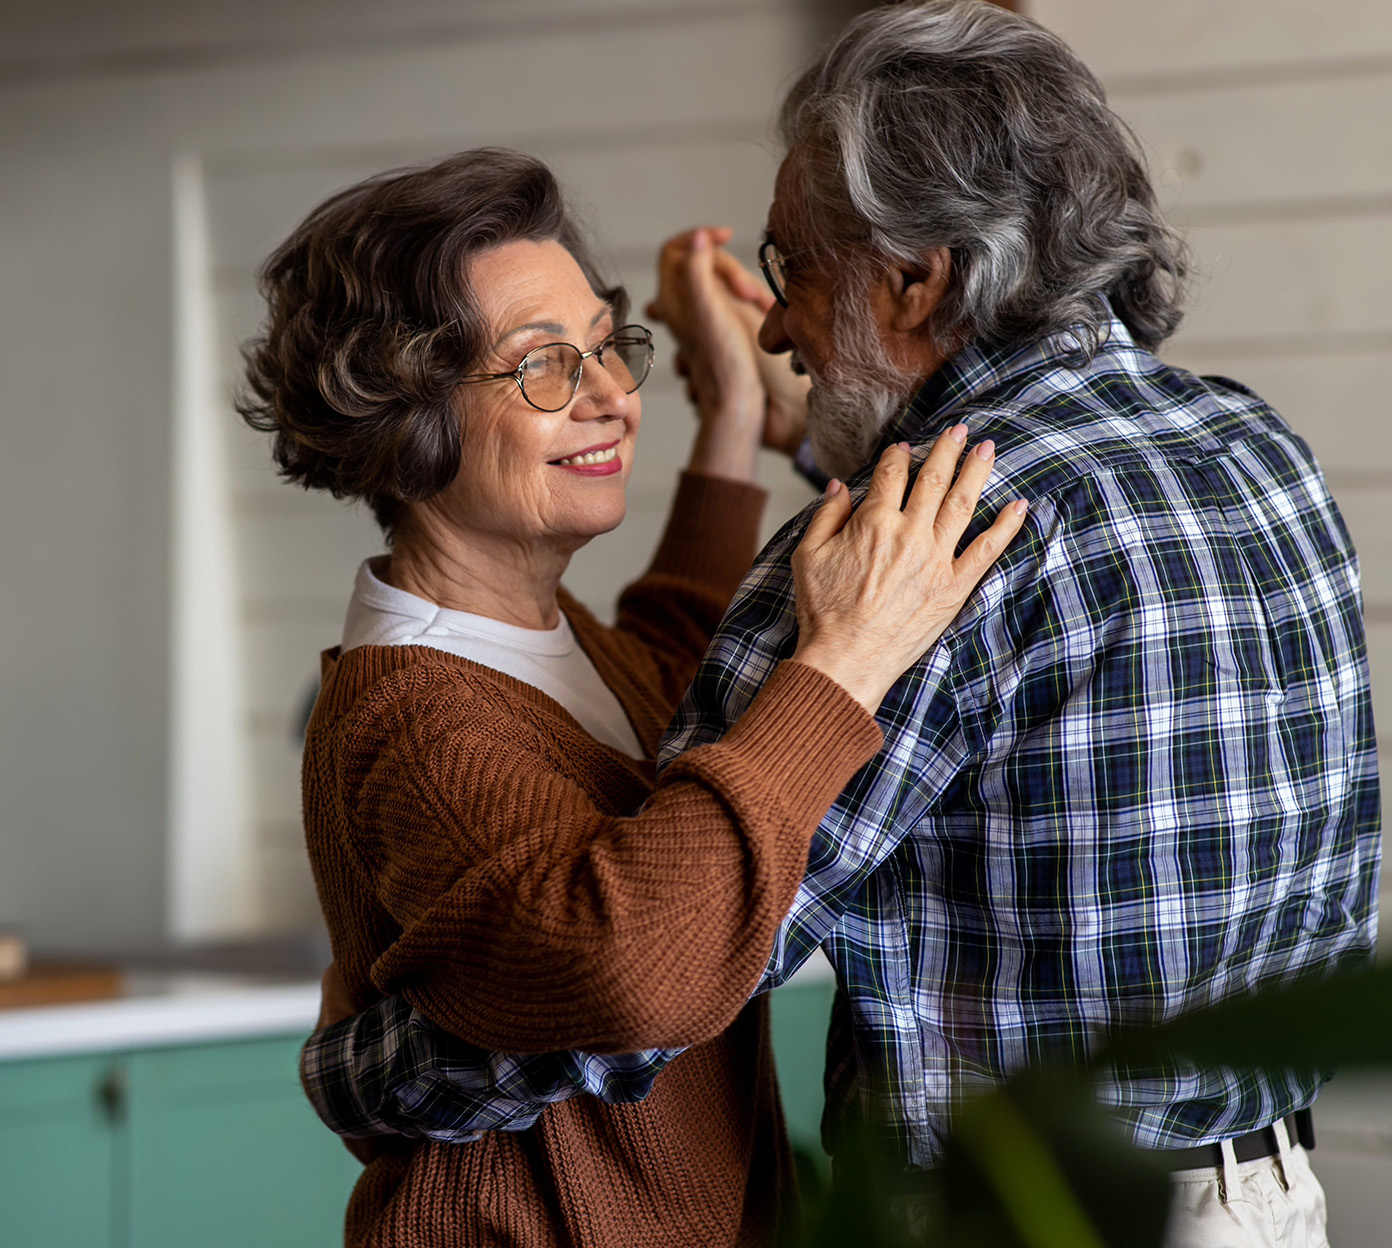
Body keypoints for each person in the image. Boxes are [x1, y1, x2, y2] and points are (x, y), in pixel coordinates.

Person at [300, 5, 1379, 1246]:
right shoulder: (1249, 448)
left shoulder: (908, 562)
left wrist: (359, 1069)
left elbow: (652, 979)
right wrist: (763, 447)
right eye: (551, 363)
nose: (771, 322)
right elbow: (683, 734)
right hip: (1267, 1197)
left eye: (795, 263)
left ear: (918, 280)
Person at [239, 145, 1023, 1247]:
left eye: (609, 348)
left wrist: (731, 416)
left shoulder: (550, 644)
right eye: (545, 367)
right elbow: (632, 963)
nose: (609, 396)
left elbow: (674, 651)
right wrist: (841, 664)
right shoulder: (410, 722)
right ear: (402, 412)